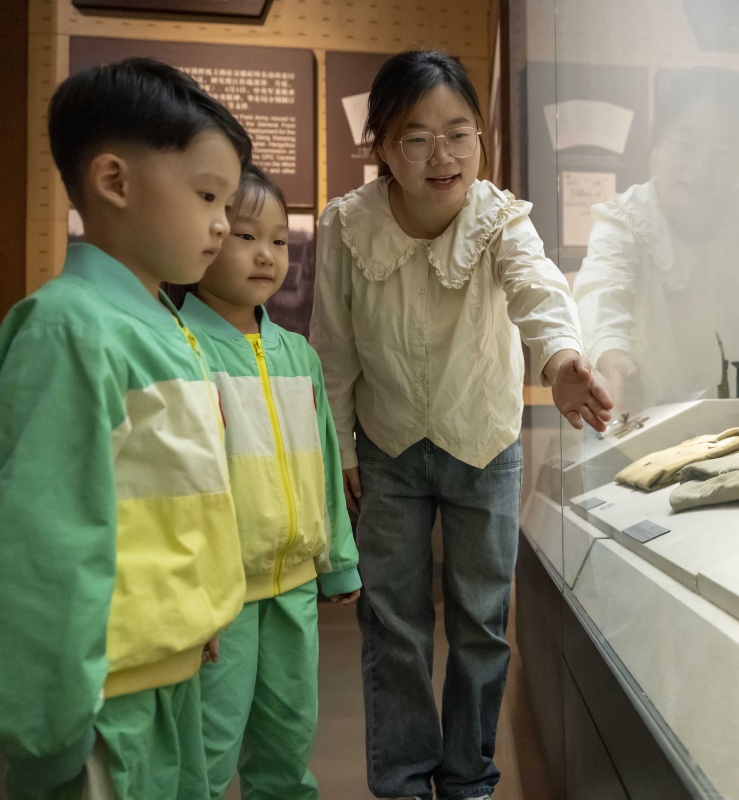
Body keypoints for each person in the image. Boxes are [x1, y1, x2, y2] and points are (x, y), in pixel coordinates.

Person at [310, 49, 612, 800]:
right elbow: (333, 348)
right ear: (381, 146)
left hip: (484, 444)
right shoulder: (348, 225)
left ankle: (469, 778)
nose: (442, 156)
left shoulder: (498, 218)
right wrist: (340, 448)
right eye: (416, 138)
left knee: (481, 620)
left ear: (481, 137)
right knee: (394, 623)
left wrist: (562, 360)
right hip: (385, 447)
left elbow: (538, 290)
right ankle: (404, 781)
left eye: (459, 134)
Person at [0, 58, 251, 799]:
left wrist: (195, 610)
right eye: (206, 195)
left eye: (226, 202)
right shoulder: (72, 329)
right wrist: (48, 733)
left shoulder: (159, 326)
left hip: (168, 675)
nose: (222, 223)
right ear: (114, 181)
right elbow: (48, 544)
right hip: (104, 703)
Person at [174, 164, 362, 799]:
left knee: (288, 740)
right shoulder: (183, 349)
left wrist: (338, 562)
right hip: (220, 597)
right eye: (246, 236)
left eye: (280, 240)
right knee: (207, 746)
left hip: (294, 588)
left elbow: (325, 467)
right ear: (204, 236)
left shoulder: (298, 355)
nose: (266, 255)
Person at [573, 66, 739, 413]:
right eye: (686, 144)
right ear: (657, 145)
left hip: (726, 420)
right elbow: (601, 295)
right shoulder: (623, 220)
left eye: (723, 150)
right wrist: (612, 355)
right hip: (632, 414)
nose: (701, 167)